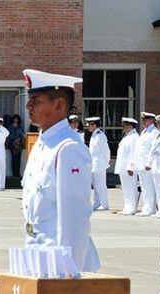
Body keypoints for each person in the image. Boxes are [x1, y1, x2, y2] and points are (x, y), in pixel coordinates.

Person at [22, 68, 100, 272]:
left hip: (60, 264)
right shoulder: (42, 143)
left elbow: (75, 221)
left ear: (59, 104)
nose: (28, 105)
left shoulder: (68, 148)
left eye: (36, 100)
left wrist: (69, 274)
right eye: (29, 99)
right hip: (38, 256)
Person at [114, 117, 139, 215]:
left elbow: (134, 153)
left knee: (131, 188)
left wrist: (131, 167)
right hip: (123, 167)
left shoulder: (134, 137)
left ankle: (132, 208)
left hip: (129, 168)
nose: (122, 127)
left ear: (130, 126)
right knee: (125, 188)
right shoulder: (127, 136)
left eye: (124, 125)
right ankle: (127, 207)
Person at [135, 112, 158, 216]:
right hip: (141, 164)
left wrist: (149, 163)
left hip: (147, 165)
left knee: (149, 187)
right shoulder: (144, 132)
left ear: (152, 120)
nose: (143, 122)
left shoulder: (154, 133)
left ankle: (151, 208)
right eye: (143, 120)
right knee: (144, 187)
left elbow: (153, 150)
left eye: (146, 120)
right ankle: (147, 207)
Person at [85, 117, 110, 211]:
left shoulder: (100, 135)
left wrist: (106, 161)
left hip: (99, 164)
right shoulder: (94, 135)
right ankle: (97, 203)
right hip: (94, 164)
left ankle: (104, 204)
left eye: (89, 125)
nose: (87, 127)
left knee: (101, 185)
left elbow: (105, 150)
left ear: (94, 125)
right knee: (95, 185)